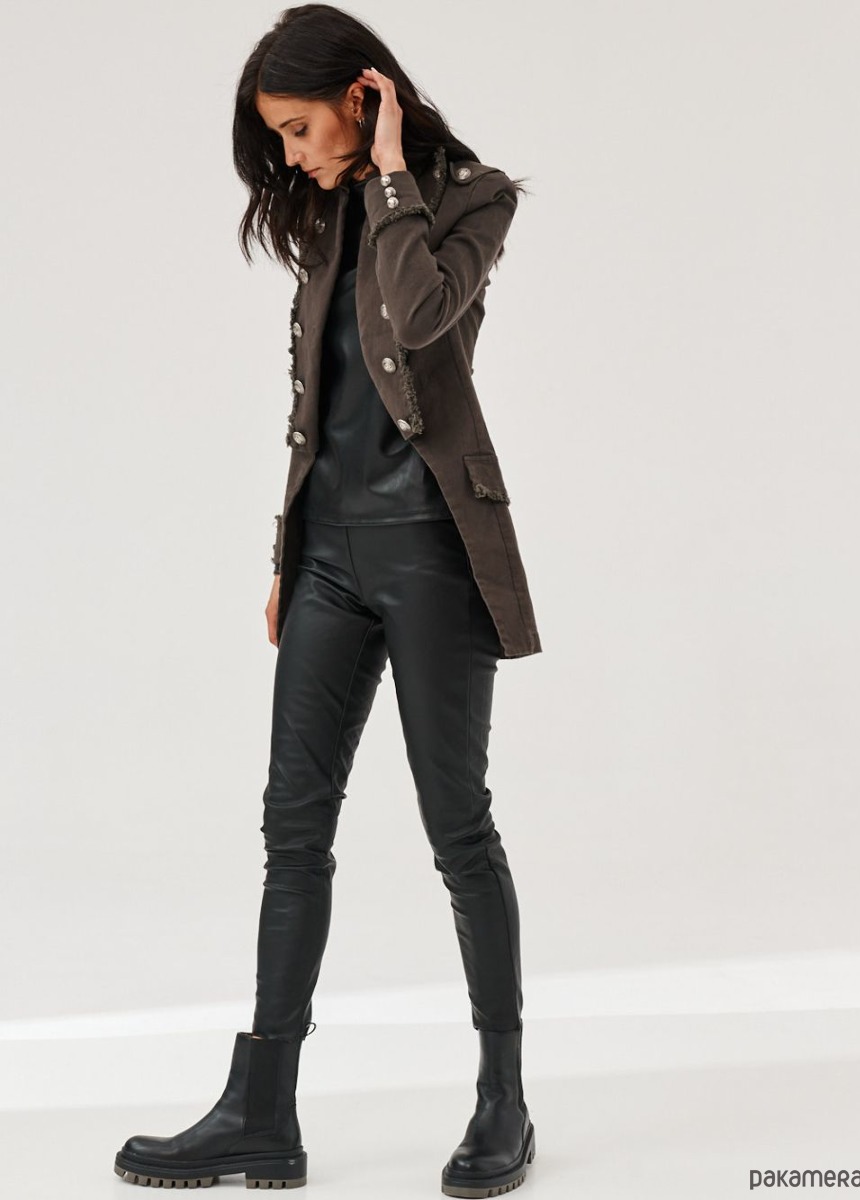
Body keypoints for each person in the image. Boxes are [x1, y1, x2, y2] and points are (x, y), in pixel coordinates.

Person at [114, 5, 541, 1196]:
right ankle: (262, 1111)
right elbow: (320, 404)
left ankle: (503, 1102)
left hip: (433, 551)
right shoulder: (323, 214)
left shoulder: (469, 200)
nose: (292, 156)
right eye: (280, 141)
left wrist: (394, 175)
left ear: (365, 96)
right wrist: (287, 551)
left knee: (458, 830)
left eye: (300, 129)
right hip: (329, 560)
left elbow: (417, 319)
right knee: (291, 832)